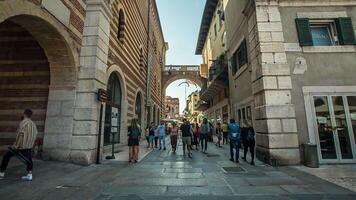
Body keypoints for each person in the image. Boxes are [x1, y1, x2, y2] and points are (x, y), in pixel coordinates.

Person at [0, 109, 38, 181]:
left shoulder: (23, 123)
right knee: (29, 159)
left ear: (24, 114)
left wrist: (16, 145)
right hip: (28, 146)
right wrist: (30, 144)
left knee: (6, 156)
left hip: (20, 146)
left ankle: (1, 173)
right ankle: (29, 175)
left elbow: (20, 135)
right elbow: (35, 134)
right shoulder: (33, 124)